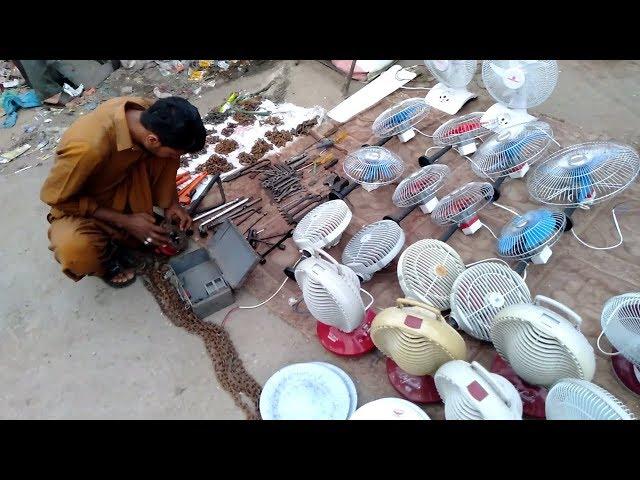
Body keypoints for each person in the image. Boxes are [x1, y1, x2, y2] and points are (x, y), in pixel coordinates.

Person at [40, 96, 206, 287]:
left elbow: (167, 159)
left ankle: (138, 226)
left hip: (121, 184)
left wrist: (172, 203)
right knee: (75, 250)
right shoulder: (87, 148)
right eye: (175, 153)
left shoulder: (148, 114)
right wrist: (125, 221)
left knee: (164, 156)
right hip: (84, 206)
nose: (177, 158)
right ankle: (108, 257)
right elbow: (57, 199)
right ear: (152, 139)